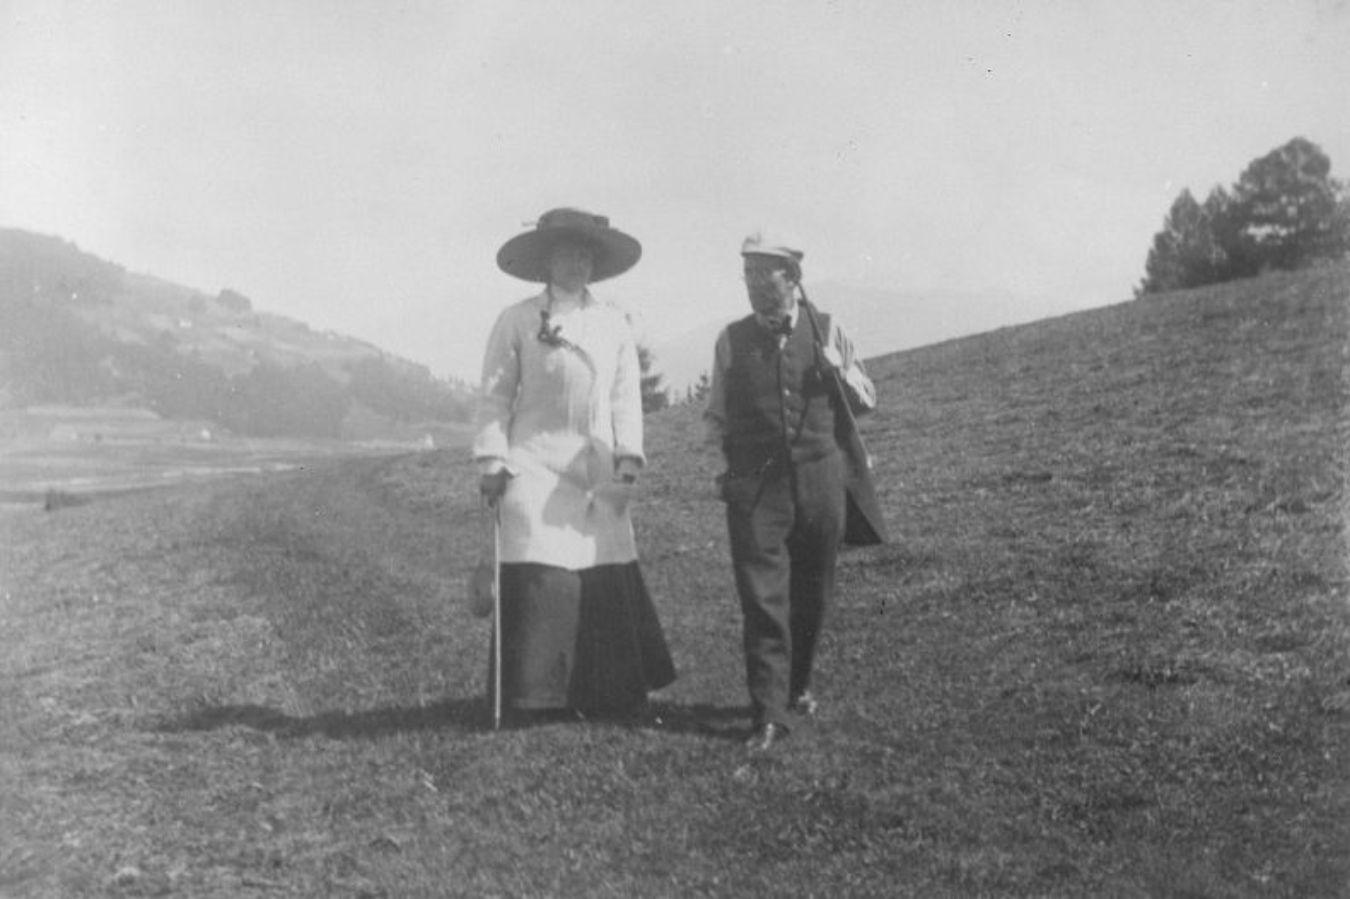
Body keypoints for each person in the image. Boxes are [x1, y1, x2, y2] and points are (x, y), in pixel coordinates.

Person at [474, 207, 675, 724]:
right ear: (547, 260)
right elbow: (495, 397)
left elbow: (626, 398)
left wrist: (628, 461)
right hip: (533, 464)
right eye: (567, 253)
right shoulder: (517, 320)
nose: (577, 263)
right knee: (544, 574)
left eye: (586, 254)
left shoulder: (613, 324)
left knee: (602, 574)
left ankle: (609, 690)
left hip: (596, 471)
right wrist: (493, 459)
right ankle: (532, 696)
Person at [705, 230, 877, 752]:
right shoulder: (730, 340)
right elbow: (713, 418)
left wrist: (839, 371)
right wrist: (726, 472)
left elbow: (867, 398)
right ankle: (768, 713)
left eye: (767, 274)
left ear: (793, 278)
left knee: (813, 595)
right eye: (749, 275)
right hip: (755, 489)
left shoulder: (827, 328)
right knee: (762, 599)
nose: (756, 285)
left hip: (822, 481)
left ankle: (797, 686)